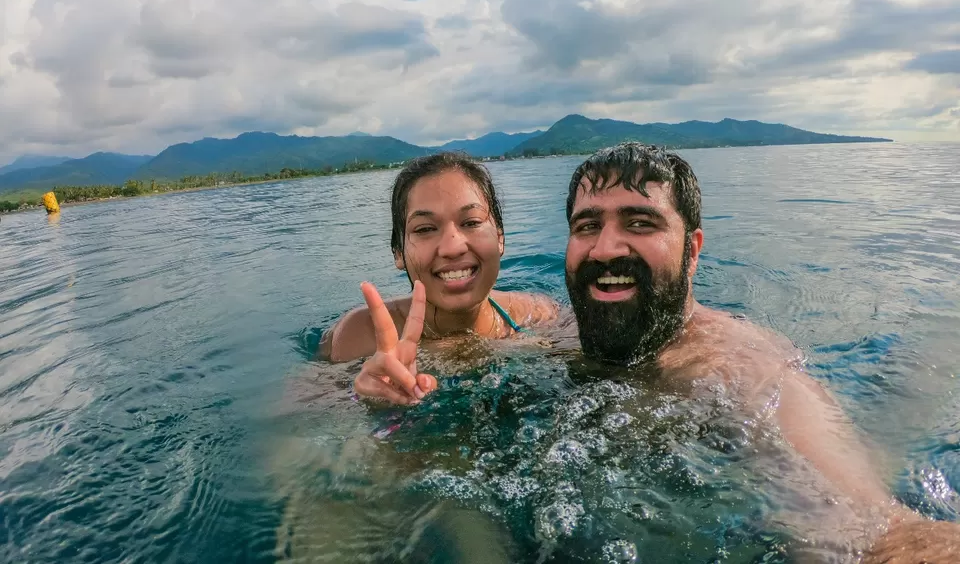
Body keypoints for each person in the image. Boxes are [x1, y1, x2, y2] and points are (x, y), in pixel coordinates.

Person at [358, 142, 959, 561]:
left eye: (640, 223)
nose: (606, 248)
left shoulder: (736, 365)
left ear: (693, 249)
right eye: (587, 226)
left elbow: (866, 528)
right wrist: (383, 402)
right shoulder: (552, 328)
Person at [319, 151, 559, 404]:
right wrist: (367, 401)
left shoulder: (539, 316)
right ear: (398, 252)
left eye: (471, 222)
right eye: (425, 229)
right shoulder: (359, 336)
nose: (453, 247)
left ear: (500, 238)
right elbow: (297, 425)